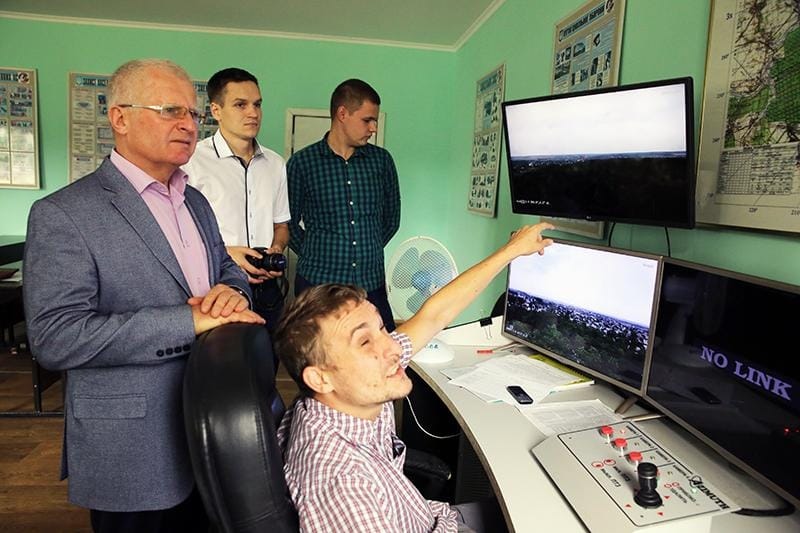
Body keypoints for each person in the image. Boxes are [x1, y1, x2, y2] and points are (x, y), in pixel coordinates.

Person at [23, 59, 265, 533]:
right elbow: (55, 338)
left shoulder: (195, 201)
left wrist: (233, 293)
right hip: (132, 446)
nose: (188, 125)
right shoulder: (64, 214)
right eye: (171, 110)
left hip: (208, 427)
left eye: (193, 113)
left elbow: (225, 268)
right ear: (120, 118)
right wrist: (187, 322)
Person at [275, 222, 555, 532]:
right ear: (319, 379)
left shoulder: (348, 391)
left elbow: (433, 316)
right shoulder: (342, 486)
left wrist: (511, 251)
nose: (393, 347)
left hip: (429, 516)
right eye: (365, 342)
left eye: (382, 328)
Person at [287, 78, 400, 331]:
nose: (373, 128)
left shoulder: (382, 161)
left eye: (375, 121)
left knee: (385, 348)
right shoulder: (302, 163)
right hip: (317, 284)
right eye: (367, 120)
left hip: (370, 283)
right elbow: (288, 223)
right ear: (342, 114)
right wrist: (316, 252)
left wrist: (365, 247)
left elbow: (392, 219)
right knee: (317, 351)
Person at [183, 67, 290, 334]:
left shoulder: (275, 164)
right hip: (218, 287)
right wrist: (227, 253)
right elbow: (178, 234)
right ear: (216, 110)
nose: (253, 113)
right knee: (224, 358)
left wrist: (276, 249)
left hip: (268, 289)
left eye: (257, 104)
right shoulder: (192, 162)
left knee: (270, 355)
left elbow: (281, 226)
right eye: (240, 105)